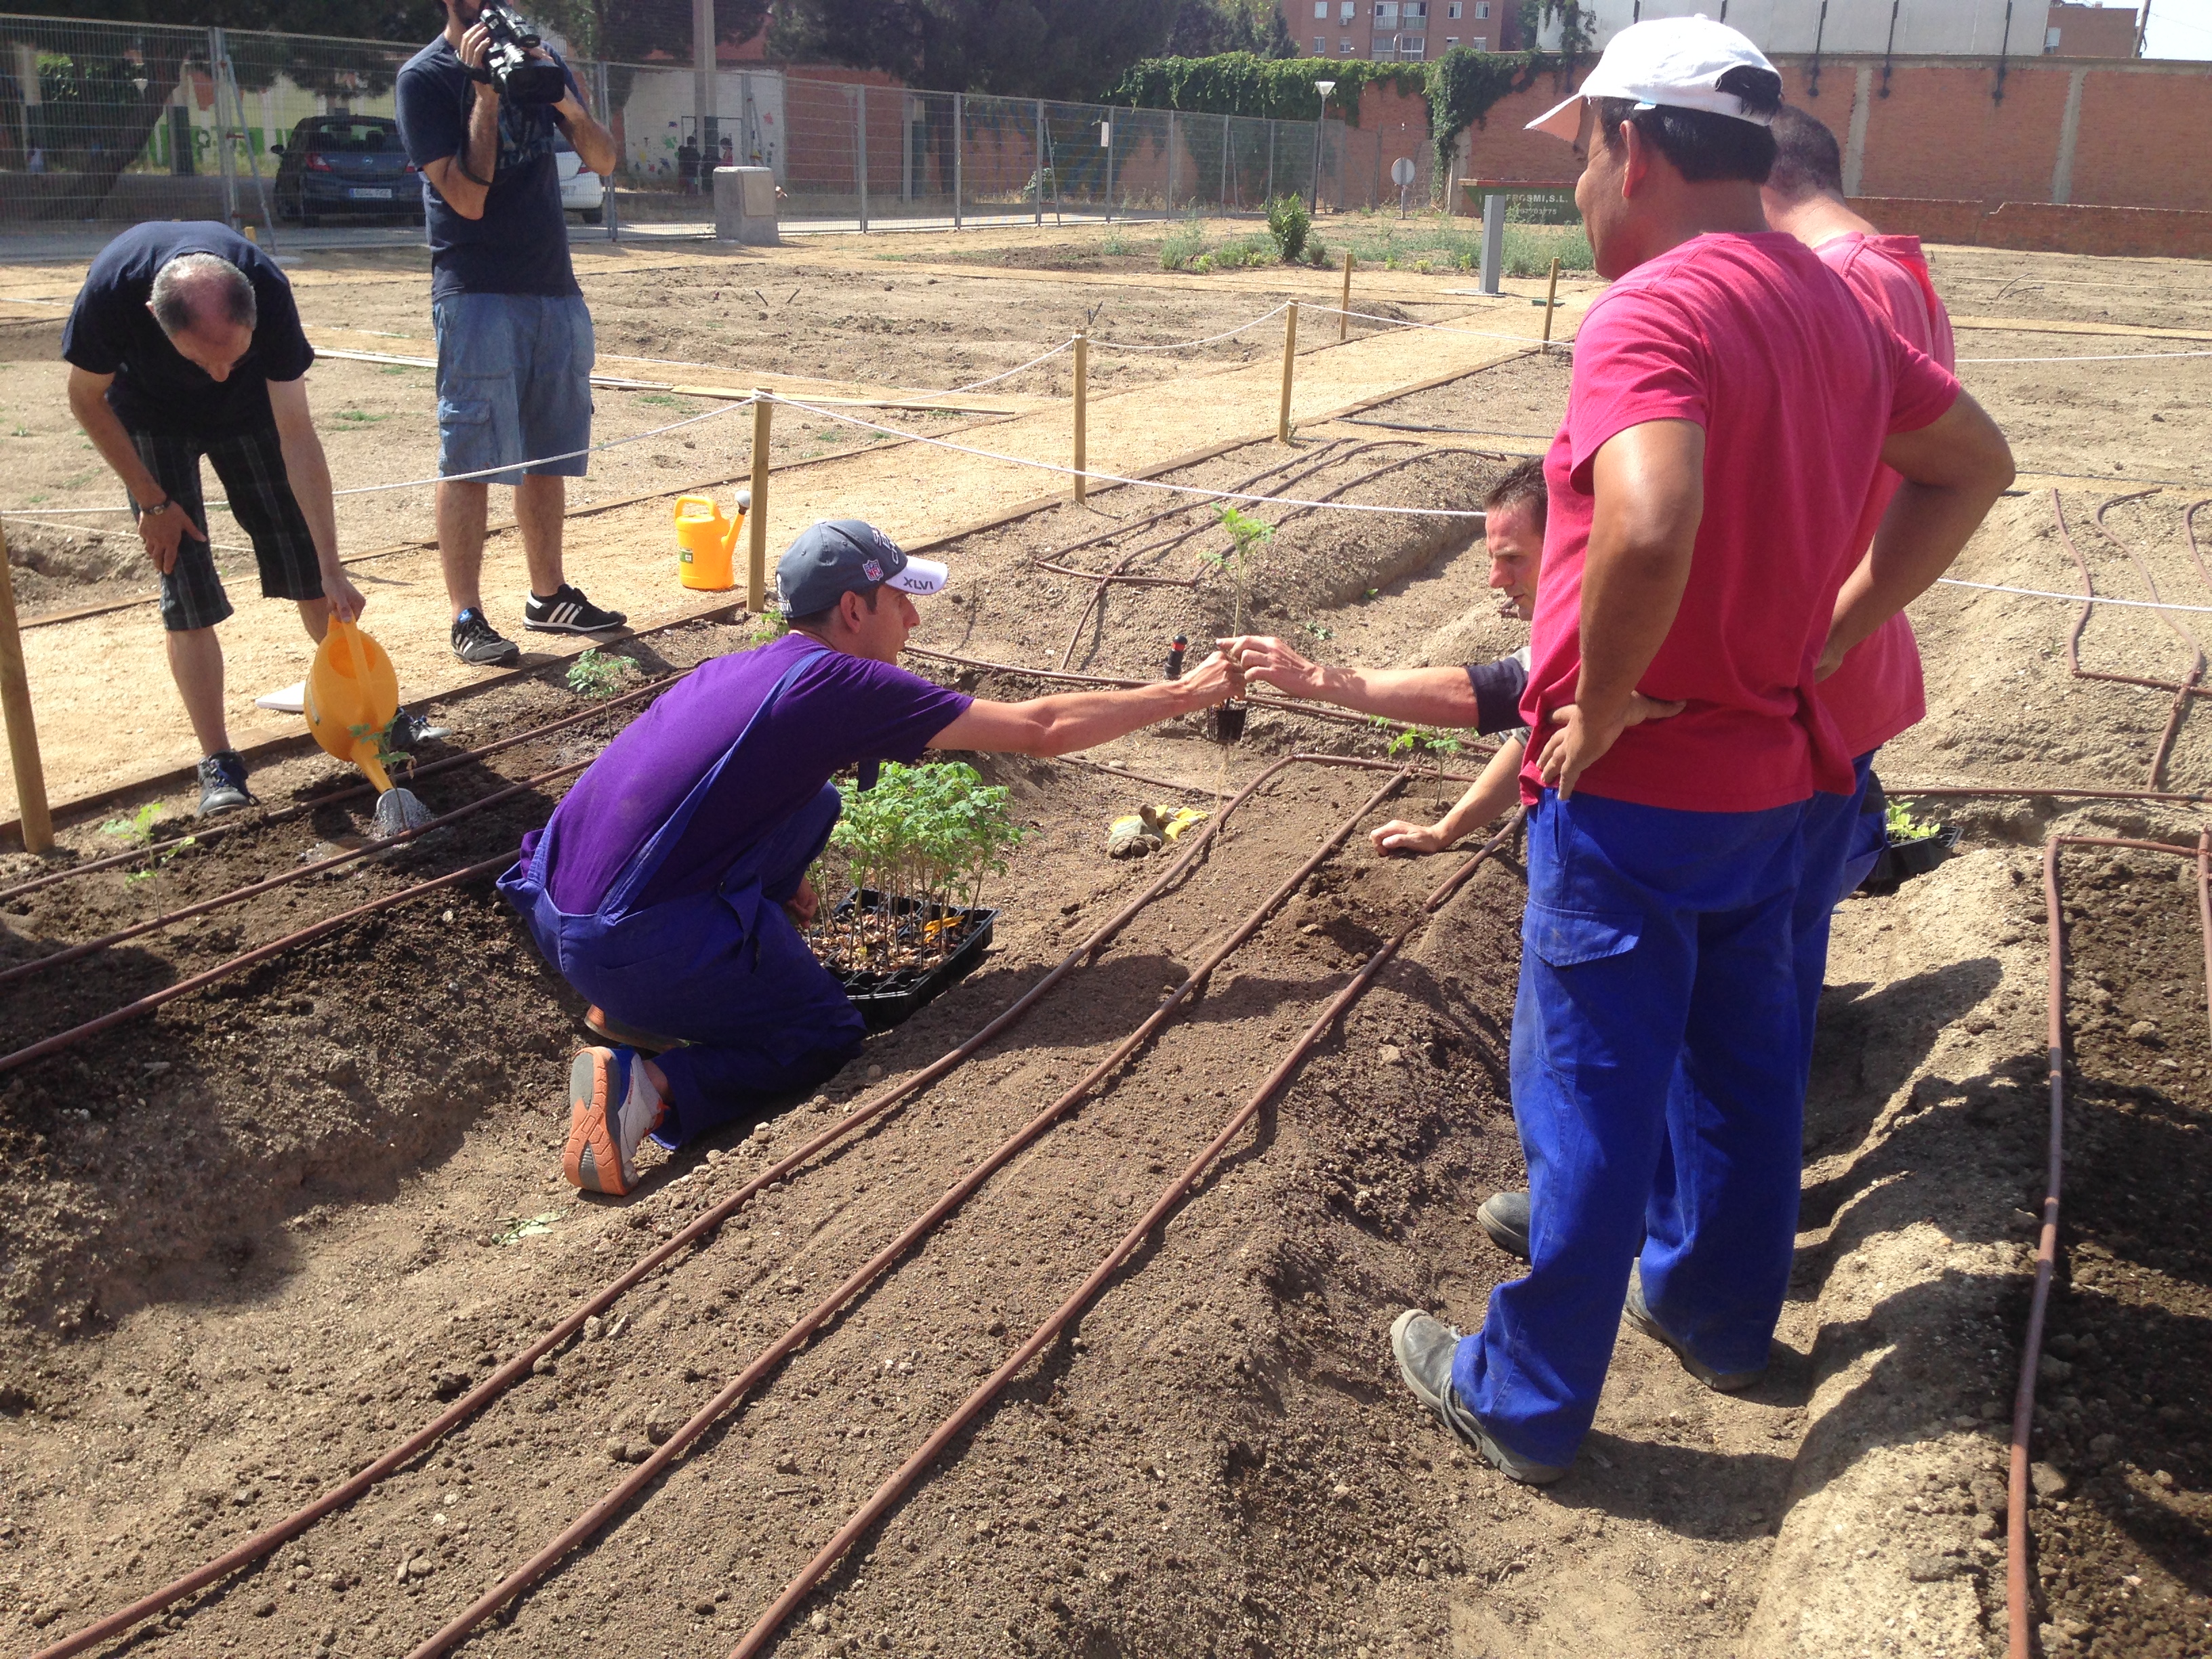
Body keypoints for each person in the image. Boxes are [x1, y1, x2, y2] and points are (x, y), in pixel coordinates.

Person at [1382, 16, 2013, 1486]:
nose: (1582, 190)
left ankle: (1526, 1398)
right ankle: (1721, 1320)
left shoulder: (1658, 310)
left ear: (1638, 147)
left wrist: (1596, 706)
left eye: (1585, 155)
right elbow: (1970, 465)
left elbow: (1652, 521)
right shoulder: (1841, 303)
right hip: (1786, 781)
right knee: (1743, 1069)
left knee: (1591, 1097)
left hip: (1646, 794)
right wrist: (1841, 630)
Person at [499, 520, 1239, 1197]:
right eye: (901, 601)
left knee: (817, 802)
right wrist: (1186, 691)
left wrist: (770, 883)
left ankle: (638, 1008)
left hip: (561, 910)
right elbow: (1039, 727)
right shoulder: (842, 681)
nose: (914, 619)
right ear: (854, 611)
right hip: (633, 937)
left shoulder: (733, 671)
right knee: (825, 1035)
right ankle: (646, 1084)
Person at [62, 223, 368, 817]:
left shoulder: (267, 291)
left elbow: (298, 433)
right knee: (187, 589)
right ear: (155, 316)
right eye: (204, 359)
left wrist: (332, 566)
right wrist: (152, 502)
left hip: (251, 417)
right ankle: (219, 763)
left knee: (308, 569)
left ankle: (372, 717)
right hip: (149, 418)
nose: (220, 371)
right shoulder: (112, 292)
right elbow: (84, 398)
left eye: (234, 355)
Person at [396, 0, 627, 669]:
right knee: (471, 456)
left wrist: (564, 99)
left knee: (550, 451)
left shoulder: (540, 58)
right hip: (476, 292)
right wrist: (484, 96)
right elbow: (466, 199)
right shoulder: (427, 78)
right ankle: (466, 615)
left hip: (552, 286)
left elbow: (605, 161)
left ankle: (547, 594)